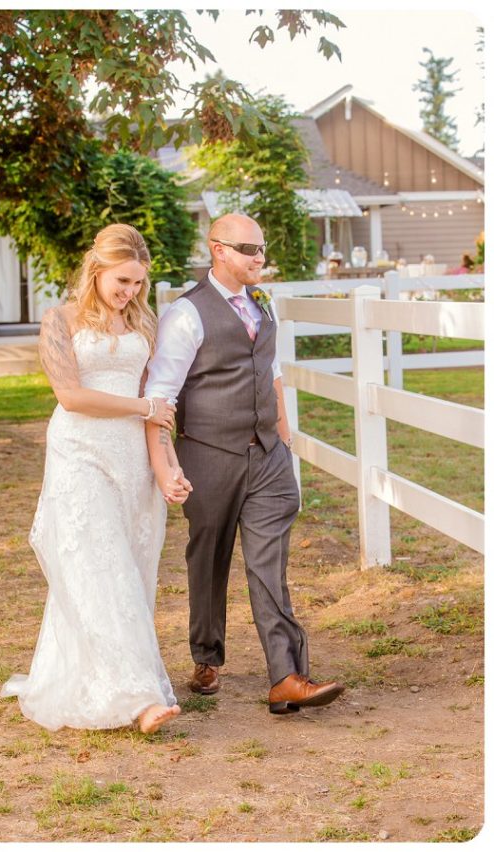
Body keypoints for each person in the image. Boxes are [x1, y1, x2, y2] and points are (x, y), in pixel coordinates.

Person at [145, 212, 345, 715]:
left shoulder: (262, 303)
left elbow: (271, 370)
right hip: (209, 455)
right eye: (249, 249)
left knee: (269, 565)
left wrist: (282, 437)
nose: (260, 258)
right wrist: (167, 463)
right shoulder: (185, 315)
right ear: (218, 250)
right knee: (209, 557)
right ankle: (206, 656)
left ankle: (287, 676)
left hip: (268, 459)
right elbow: (160, 395)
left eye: (261, 248)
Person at [1, 223, 189, 735]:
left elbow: (161, 414)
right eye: (122, 281)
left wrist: (167, 469)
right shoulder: (59, 321)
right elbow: (72, 396)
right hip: (78, 454)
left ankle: (97, 680)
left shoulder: (146, 326)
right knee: (96, 567)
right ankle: (140, 698)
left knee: (127, 575)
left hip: (131, 460)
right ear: (97, 269)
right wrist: (142, 404)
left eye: (138, 285)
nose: (129, 293)